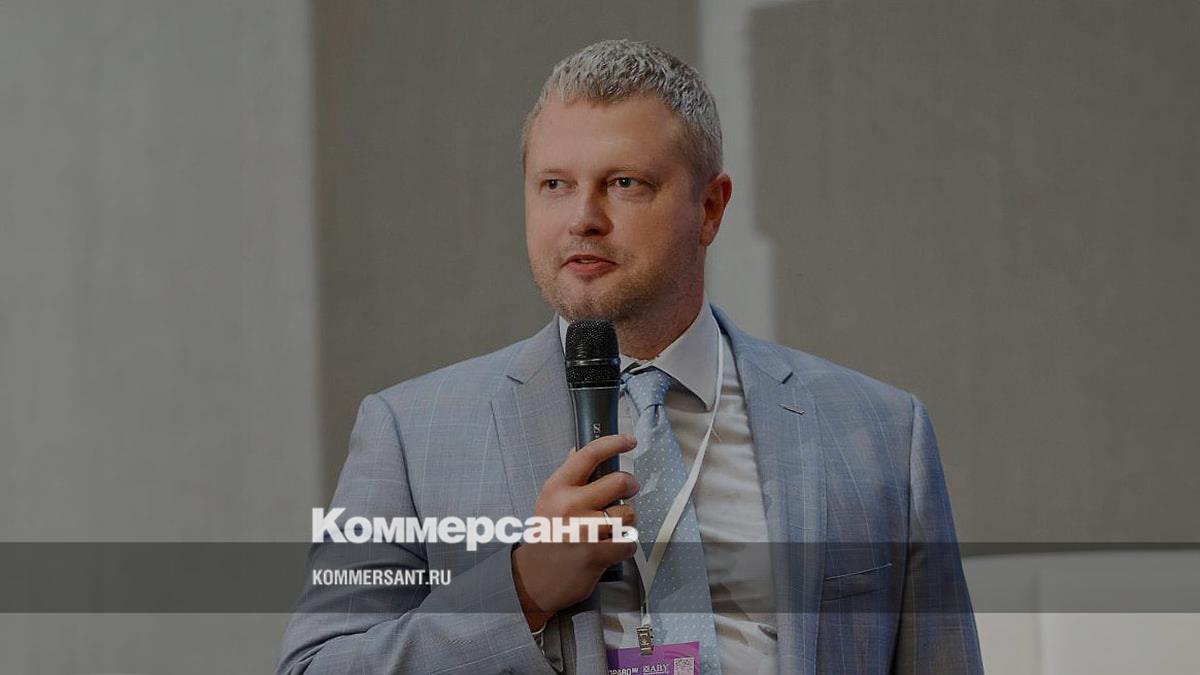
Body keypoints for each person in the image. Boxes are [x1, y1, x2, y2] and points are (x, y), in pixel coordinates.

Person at [279, 39, 982, 674]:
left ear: (710, 208)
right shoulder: (411, 434)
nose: (582, 217)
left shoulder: (881, 431)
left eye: (624, 183)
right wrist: (521, 589)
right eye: (554, 184)